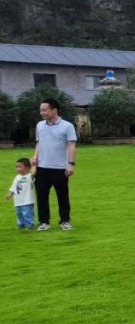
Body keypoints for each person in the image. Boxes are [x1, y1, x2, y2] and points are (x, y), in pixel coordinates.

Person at [31, 99, 77, 231]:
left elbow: (71, 145)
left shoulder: (67, 126)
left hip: (60, 167)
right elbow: (39, 143)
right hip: (42, 167)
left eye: (44, 110)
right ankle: (44, 222)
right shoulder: (40, 125)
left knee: (62, 195)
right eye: (41, 110)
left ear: (54, 110)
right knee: (41, 195)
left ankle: (65, 221)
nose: (42, 112)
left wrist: (71, 164)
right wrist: (35, 157)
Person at [6, 158, 35, 230]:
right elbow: (13, 187)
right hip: (18, 200)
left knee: (27, 213)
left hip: (27, 200)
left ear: (27, 167)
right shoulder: (17, 177)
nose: (17, 169)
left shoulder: (29, 176)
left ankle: (30, 225)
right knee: (19, 214)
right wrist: (10, 194)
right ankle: (21, 225)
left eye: (20, 167)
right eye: (16, 167)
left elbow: (33, 173)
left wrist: (33, 164)